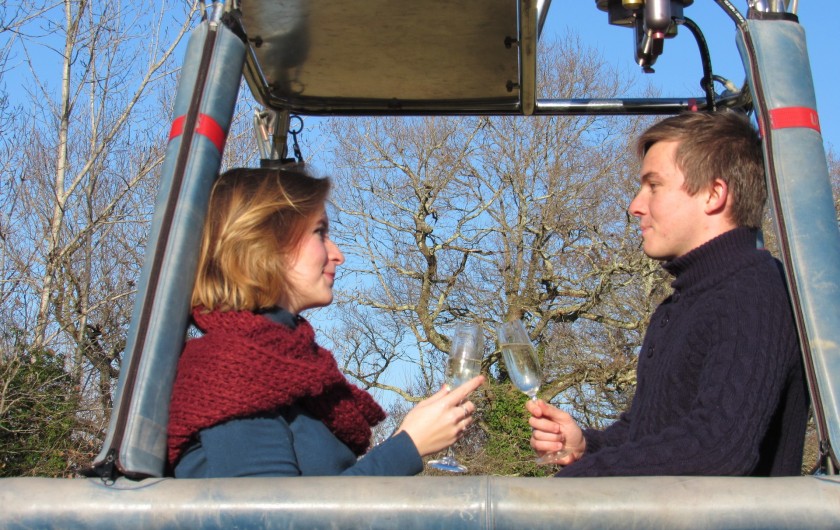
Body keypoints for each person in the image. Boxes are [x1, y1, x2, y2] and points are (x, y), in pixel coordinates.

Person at [528, 111, 810, 477]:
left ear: (714, 194)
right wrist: (587, 446)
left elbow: (717, 448)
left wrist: (576, 482)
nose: (635, 206)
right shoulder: (683, 302)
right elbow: (646, 434)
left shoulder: (753, 293)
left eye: (654, 186)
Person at [167, 166, 484, 477]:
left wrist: (408, 437)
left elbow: (325, 492)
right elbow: (269, 508)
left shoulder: (285, 365)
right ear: (264, 243)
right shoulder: (232, 369)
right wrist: (408, 446)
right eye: (319, 232)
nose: (337, 254)